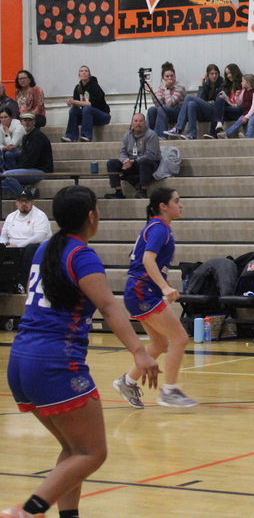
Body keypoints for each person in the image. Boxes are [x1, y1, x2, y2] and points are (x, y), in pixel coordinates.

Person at [3, 185, 159, 518]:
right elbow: (108, 306)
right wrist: (139, 352)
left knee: (74, 450)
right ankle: (28, 512)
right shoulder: (81, 255)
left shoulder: (44, 248)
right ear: (91, 216)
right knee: (92, 453)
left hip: (21, 360)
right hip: (54, 363)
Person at [112, 188, 197, 409]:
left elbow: (152, 264)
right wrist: (162, 287)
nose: (181, 205)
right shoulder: (159, 228)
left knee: (160, 342)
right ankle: (169, 391)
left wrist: (166, 285)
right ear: (163, 206)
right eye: (177, 201)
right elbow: (148, 261)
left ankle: (127, 382)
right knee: (180, 338)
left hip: (140, 289)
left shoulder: (160, 228)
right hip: (142, 290)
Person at [1, 188, 52, 294]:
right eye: (21, 201)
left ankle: (22, 284)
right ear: (16, 203)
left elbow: (39, 237)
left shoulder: (40, 216)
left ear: (32, 202)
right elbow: (4, 235)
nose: (24, 204)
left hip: (33, 248)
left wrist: (17, 246)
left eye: (27, 201)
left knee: (30, 248)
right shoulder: (11, 217)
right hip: (13, 247)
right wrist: (5, 244)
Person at [105, 113, 160, 200]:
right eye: (136, 121)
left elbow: (150, 155)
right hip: (131, 162)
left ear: (145, 123)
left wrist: (133, 161)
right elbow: (122, 152)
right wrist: (125, 161)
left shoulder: (151, 135)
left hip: (149, 163)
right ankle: (118, 192)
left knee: (144, 161)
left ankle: (143, 191)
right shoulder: (127, 135)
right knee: (111, 163)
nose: (138, 123)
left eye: (141, 121)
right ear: (132, 123)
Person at [165, 64, 224, 140]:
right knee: (191, 104)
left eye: (216, 73)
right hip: (205, 111)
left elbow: (218, 101)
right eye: (212, 74)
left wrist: (208, 102)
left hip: (214, 111)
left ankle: (179, 127)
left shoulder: (222, 84)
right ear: (208, 75)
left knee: (189, 97)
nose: (214, 76)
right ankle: (191, 134)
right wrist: (201, 83)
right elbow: (200, 99)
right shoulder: (206, 84)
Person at [1, 113, 53, 199]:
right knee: (3, 178)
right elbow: (24, 157)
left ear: (34, 122)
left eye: (30, 120)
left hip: (41, 170)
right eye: (25, 120)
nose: (27, 123)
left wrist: (16, 170)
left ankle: (25, 196)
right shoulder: (25, 137)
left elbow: (31, 160)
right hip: (31, 168)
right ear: (21, 122)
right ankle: (26, 189)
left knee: (6, 175)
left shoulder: (37, 136)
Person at [62, 65, 110, 143]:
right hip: (87, 116)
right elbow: (77, 104)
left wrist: (74, 102)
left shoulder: (95, 86)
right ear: (79, 75)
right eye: (81, 71)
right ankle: (71, 136)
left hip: (102, 115)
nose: (84, 73)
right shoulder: (78, 88)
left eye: (86, 71)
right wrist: (71, 102)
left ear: (89, 75)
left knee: (87, 109)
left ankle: (86, 136)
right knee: (73, 110)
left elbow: (91, 104)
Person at [146, 62, 187, 138]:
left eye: (171, 76)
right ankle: (148, 136)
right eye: (167, 76)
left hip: (178, 112)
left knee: (163, 109)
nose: (169, 78)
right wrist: (151, 93)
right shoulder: (161, 87)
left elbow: (170, 103)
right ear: (163, 78)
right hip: (165, 111)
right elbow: (158, 104)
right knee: (152, 110)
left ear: (174, 76)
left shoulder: (179, 87)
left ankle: (160, 135)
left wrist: (167, 89)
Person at [204, 63, 244, 139]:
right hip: (229, 110)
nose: (228, 76)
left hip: (238, 110)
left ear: (234, 72)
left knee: (217, 108)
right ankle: (218, 123)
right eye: (227, 74)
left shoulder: (242, 84)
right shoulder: (227, 85)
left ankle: (213, 132)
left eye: (229, 73)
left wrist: (234, 102)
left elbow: (246, 102)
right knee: (220, 98)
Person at [224, 74, 254, 138]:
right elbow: (239, 103)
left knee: (251, 122)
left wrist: (247, 117)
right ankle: (226, 134)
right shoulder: (244, 92)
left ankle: (248, 137)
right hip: (246, 112)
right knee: (238, 122)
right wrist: (236, 96)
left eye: (243, 81)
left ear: (248, 83)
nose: (241, 83)